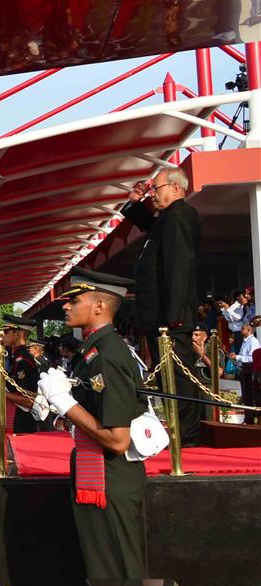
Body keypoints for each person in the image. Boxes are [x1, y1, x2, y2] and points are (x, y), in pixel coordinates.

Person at [38, 269, 147, 580]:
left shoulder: (107, 355)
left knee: (119, 574)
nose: (65, 306)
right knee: (102, 570)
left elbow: (117, 439)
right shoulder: (91, 351)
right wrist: (59, 408)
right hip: (96, 469)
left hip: (111, 475)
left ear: (99, 306)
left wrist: (66, 404)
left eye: (75, 299)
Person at [124, 168, 202, 444]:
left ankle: (188, 438)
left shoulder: (180, 215)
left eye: (156, 189)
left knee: (178, 377)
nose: (152, 194)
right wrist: (135, 202)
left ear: (176, 188)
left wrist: (174, 317)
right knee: (168, 377)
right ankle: (181, 434)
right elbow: (149, 224)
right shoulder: (168, 218)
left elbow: (179, 267)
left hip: (170, 318)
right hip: (160, 317)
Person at [0, 314, 42, 434]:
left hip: (25, 419)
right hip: (18, 416)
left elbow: (28, 400)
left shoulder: (24, 360)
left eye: (6, 331)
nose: (3, 335)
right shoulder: (16, 357)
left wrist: (0, 393)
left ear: (19, 334)